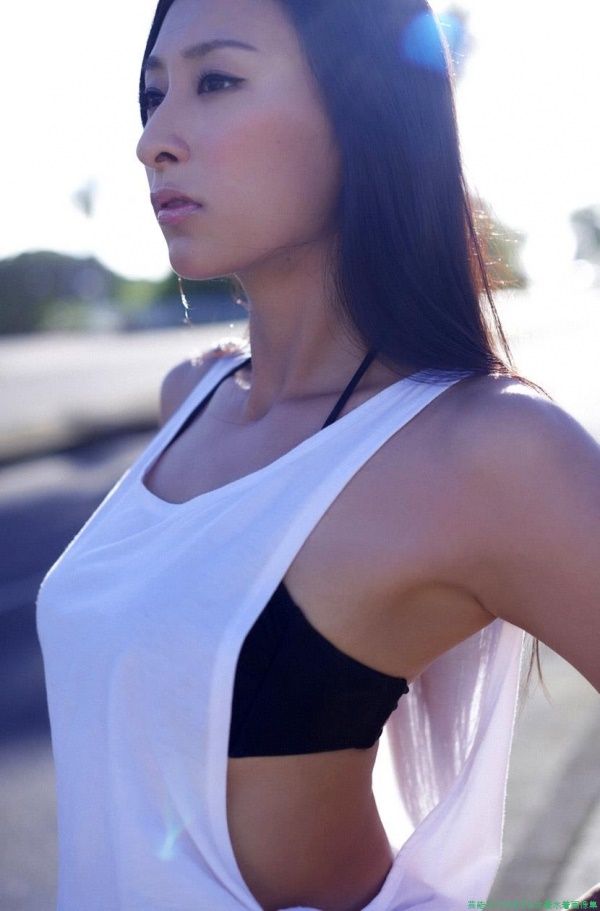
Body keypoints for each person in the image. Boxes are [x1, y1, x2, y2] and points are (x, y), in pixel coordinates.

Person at [36, 1, 599, 909]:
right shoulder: (191, 398)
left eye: (217, 80)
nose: (153, 141)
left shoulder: (486, 449)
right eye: (152, 95)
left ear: (363, 109)